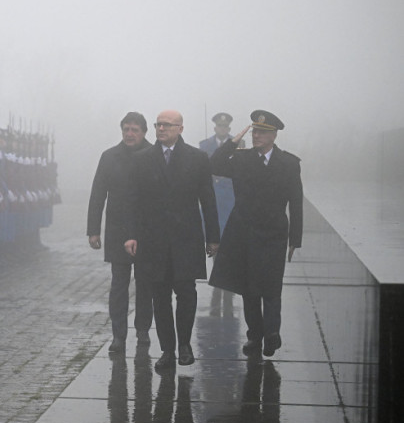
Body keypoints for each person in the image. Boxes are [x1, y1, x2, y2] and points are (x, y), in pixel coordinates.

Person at [124, 110, 220, 370]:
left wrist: (213, 238)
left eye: (167, 125)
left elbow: (208, 200)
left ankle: (185, 344)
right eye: (158, 125)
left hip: (185, 237)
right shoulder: (142, 159)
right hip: (153, 239)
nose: (161, 129)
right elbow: (133, 200)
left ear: (180, 128)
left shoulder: (196, 158)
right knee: (160, 295)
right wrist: (131, 234)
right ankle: (167, 350)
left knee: (187, 292)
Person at [209, 110, 302, 358]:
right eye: (254, 131)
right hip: (245, 232)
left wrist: (296, 238)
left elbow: (296, 202)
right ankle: (255, 335)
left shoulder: (289, 163)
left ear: (274, 135)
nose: (256, 136)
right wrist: (233, 141)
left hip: (273, 234)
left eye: (262, 132)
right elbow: (214, 164)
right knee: (249, 289)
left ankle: (272, 334)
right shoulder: (241, 159)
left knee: (271, 287)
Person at [87, 112, 154, 353]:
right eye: (126, 129)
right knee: (119, 285)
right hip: (117, 229)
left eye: (135, 129)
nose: (130, 133)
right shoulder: (109, 157)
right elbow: (98, 193)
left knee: (146, 284)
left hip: (146, 230)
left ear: (144, 132)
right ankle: (118, 334)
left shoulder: (154, 155)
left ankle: (143, 329)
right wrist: (93, 230)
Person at [199, 112, 243, 312]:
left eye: (226, 127)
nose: (223, 130)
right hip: (213, 197)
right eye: (220, 127)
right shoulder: (204, 145)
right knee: (214, 238)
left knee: (229, 239)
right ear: (215, 128)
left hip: (230, 197)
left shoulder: (239, 145)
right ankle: (218, 278)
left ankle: (225, 279)